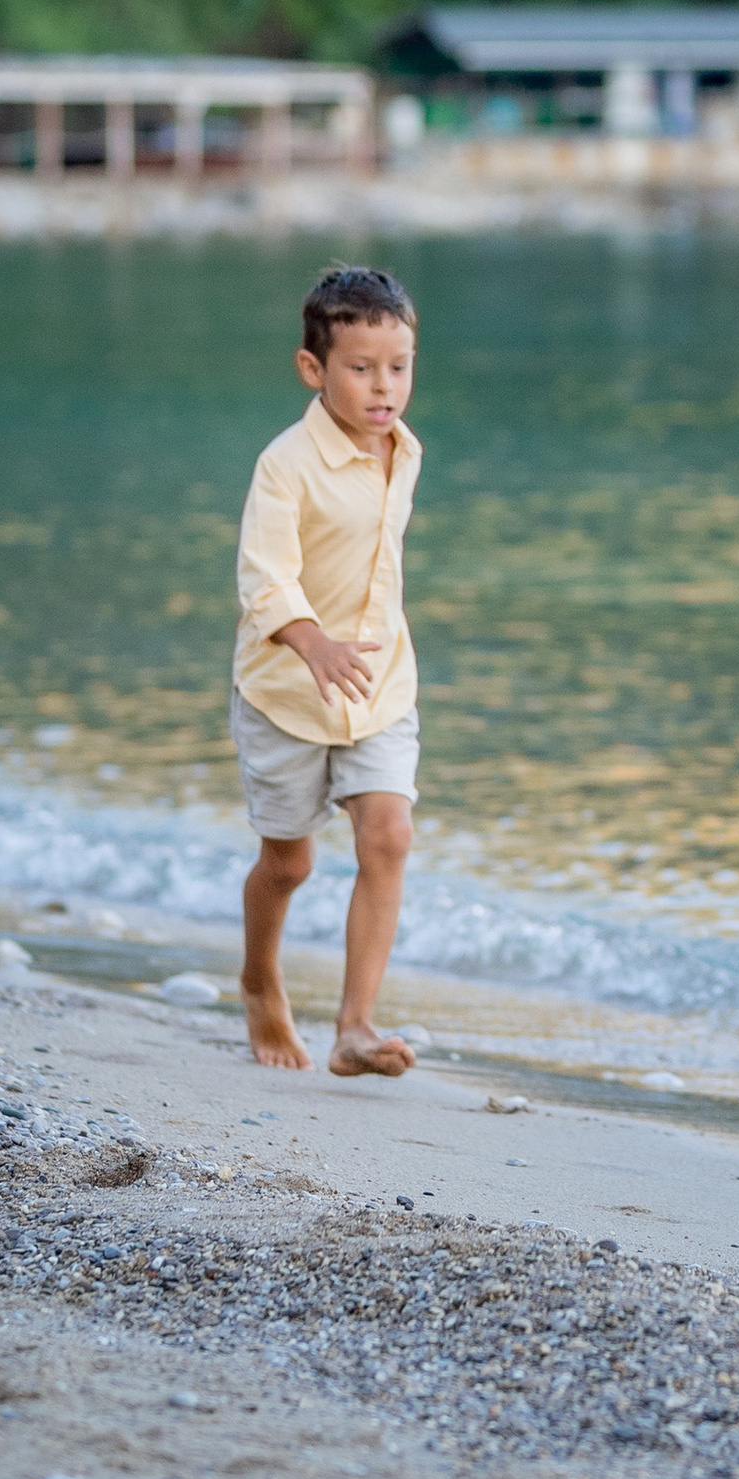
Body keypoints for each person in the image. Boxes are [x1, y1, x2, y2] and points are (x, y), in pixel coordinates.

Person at [231, 262, 427, 1078]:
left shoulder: (403, 450)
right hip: (284, 693)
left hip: (380, 684)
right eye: (360, 368)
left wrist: (355, 651)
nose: (384, 388)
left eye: (399, 367)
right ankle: (258, 980)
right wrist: (314, 645)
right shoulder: (286, 464)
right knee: (291, 862)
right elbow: (264, 577)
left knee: (388, 832)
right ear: (313, 369)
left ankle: (355, 1025)